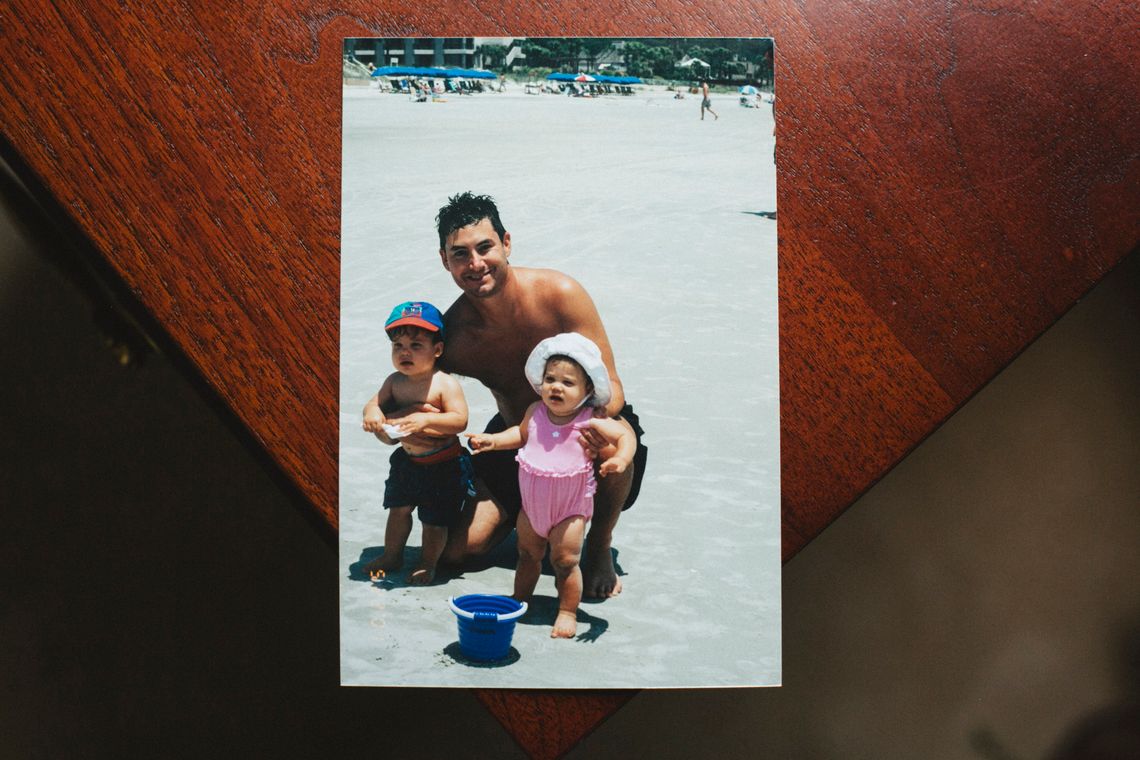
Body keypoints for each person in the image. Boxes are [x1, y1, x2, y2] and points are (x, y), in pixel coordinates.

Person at [421, 191, 648, 599]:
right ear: (445, 261)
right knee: (460, 552)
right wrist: (398, 421)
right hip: (516, 440)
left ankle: (598, 545)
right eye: (460, 254)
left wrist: (571, 427)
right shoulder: (455, 335)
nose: (475, 264)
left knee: (613, 430)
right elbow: (421, 389)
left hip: (580, 429)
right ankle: (529, 516)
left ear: (506, 243)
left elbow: (612, 390)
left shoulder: (559, 294)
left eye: (484, 247)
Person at [466, 333, 635, 637]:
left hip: (570, 508)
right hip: (531, 507)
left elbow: (625, 436)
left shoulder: (588, 419)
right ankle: (520, 599)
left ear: (586, 391)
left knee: (565, 560)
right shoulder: (535, 413)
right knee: (527, 554)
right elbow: (519, 435)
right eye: (550, 379)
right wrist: (492, 441)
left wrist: (620, 459)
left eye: (568, 383)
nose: (556, 386)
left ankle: (568, 610)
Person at [361, 301, 473, 585]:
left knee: (434, 520)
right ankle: (392, 554)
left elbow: (460, 421)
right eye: (398, 346)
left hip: (442, 465)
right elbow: (374, 404)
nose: (405, 352)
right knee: (398, 509)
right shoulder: (394, 381)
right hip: (407, 462)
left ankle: (427, 562)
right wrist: (373, 415)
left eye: (416, 345)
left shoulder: (444, 384)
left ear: (437, 350)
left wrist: (425, 421)